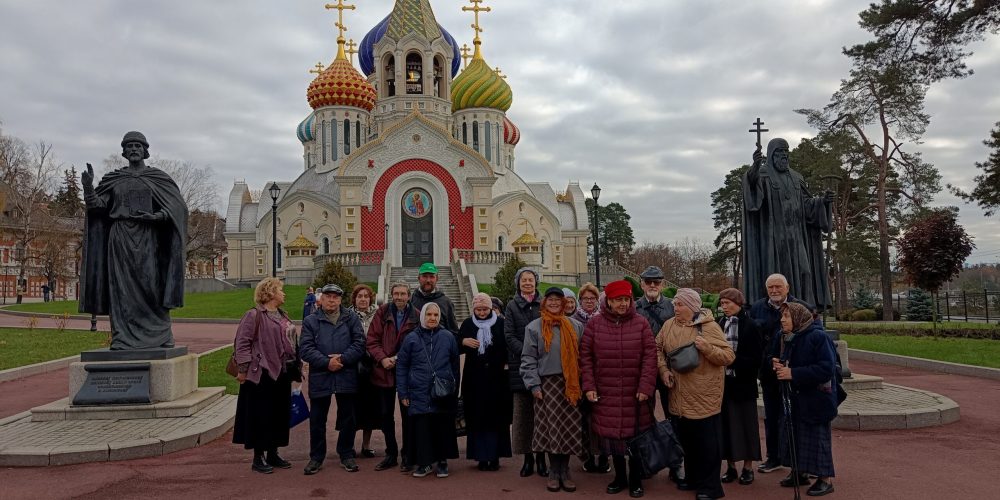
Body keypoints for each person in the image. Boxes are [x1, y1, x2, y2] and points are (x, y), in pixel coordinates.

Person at [81, 131, 187, 350]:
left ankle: (161, 334)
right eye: (129, 146)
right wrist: (88, 187)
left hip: (148, 236)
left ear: (145, 150)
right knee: (120, 289)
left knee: (152, 286)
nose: (133, 149)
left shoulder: (157, 178)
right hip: (119, 239)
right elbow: (98, 206)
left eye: (138, 146)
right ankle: (121, 337)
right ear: (124, 151)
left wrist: (157, 216)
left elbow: (178, 208)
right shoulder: (115, 179)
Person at [580, 280, 658, 498]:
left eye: (626, 299)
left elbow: (650, 357)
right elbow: (585, 357)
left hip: (635, 393)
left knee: (635, 436)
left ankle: (635, 478)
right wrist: (589, 386)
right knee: (612, 437)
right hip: (607, 391)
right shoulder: (595, 325)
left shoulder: (641, 323)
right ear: (609, 302)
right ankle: (619, 477)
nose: (623, 304)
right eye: (618, 300)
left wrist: (646, 386)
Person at [657, 288, 735, 500]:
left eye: (680, 304)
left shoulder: (708, 327)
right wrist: (663, 370)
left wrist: (707, 348)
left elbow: (728, 356)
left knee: (707, 445)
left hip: (704, 396)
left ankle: (710, 487)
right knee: (687, 441)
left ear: (692, 307)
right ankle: (692, 478)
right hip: (679, 395)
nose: (675, 308)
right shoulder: (668, 325)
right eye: (674, 304)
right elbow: (657, 349)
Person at [742, 137, 833, 310]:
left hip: (796, 236)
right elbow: (752, 192)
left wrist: (823, 202)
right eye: (779, 152)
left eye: (786, 152)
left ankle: (805, 311)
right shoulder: (763, 174)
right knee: (776, 275)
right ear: (771, 155)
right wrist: (754, 168)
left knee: (805, 272)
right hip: (773, 238)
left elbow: (807, 205)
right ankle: (774, 311)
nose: (784, 156)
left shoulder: (796, 177)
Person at [521, 286, 586, 493]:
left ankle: (565, 471)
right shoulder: (534, 327)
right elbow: (528, 358)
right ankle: (553, 471)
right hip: (546, 384)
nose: (555, 303)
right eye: (551, 300)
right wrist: (533, 384)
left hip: (571, 384)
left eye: (559, 300)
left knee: (568, 427)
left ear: (565, 303)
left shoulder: (575, 326)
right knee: (551, 428)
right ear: (544, 302)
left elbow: (583, 357)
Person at [749, 273, 814, 474]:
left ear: (787, 287)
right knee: (772, 415)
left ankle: (799, 462)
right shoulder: (758, 307)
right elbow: (754, 339)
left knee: (795, 417)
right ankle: (774, 457)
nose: (775, 291)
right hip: (769, 370)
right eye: (771, 287)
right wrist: (767, 361)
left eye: (778, 287)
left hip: (794, 373)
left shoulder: (800, 306)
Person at [771, 302, 838, 496]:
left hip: (816, 400)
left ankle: (825, 479)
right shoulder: (787, 337)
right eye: (782, 316)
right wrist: (776, 363)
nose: (782, 320)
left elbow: (826, 369)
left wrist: (793, 373)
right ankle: (799, 472)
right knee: (794, 435)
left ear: (798, 318)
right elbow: (779, 357)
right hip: (794, 398)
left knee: (816, 439)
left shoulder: (818, 337)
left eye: (786, 316)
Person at [232, 277, 298, 474]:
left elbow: (293, 342)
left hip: (281, 373)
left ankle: (273, 452)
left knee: (278, 414)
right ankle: (258, 456)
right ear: (270, 293)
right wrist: (242, 371)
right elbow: (242, 344)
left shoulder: (283, 315)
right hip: (260, 374)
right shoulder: (253, 316)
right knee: (260, 415)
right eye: (280, 290)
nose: (283, 293)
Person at [300, 284, 367, 475]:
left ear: (340, 300)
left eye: (335, 297)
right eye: (328, 297)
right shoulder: (311, 321)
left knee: (348, 418)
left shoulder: (351, 318)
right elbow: (305, 348)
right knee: (317, 419)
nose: (331, 300)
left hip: (346, 374)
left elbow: (359, 343)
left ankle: (346, 453)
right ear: (321, 299)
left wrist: (343, 359)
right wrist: (326, 362)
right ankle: (316, 457)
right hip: (322, 374)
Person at [396, 302, 461, 479]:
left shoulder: (448, 336)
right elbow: (402, 366)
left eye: (435, 315)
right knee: (422, 429)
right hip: (418, 391)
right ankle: (424, 463)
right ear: (422, 316)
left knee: (442, 426)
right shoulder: (411, 338)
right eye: (429, 315)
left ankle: (442, 461)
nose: (432, 318)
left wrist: (454, 390)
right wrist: (403, 392)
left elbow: (455, 365)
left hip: (441, 391)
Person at [634, 266, 682, 484]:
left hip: (668, 369)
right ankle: (646, 460)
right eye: (648, 282)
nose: (652, 286)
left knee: (674, 415)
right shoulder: (634, 307)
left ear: (662, 284)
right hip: (642, 369)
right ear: (642, 284)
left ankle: (675, 463)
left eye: (657, 282)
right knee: (643, 416)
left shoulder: (673, 308)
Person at [367, 282, 419, 472]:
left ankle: (407, 454)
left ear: (409, 296)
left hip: (407, 372)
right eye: (396, 294)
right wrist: (382, 359)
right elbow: (372, 340)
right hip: (384, 370)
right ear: (391, 294)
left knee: (409, 415)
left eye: (403, 294)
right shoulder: (382, 312)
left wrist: (397, 359)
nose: (399, 297)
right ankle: (391, 453)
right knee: (385, 415)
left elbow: (418, 343)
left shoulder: (417, 315)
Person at [458, 293, 513, 471]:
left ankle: (495, 456)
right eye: (478, 309)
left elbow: (508, 347)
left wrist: (505, 364)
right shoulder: (467, 324)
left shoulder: (501, 323)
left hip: (497, 379)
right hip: (474, 379)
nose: (481, 312)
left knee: (496, 418)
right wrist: (463, 341)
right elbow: (456, 346)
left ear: (491, 309)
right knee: (477, 417)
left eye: (485, 309)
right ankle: (481, 456)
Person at [716, 288, 762, 486]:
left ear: (738, 303)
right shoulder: (719, 323)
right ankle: (731, 467)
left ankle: (748, 467)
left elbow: (756, 358)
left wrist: (731, 361)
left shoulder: (751, 326)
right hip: (723, 384)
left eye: (728, 303)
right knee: (725, 426)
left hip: (743, 384)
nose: (724, 307)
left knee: (746, 426)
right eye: (722, 303)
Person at [503, 266, 546, 478]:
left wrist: (540, 354)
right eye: (523, 280)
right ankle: (528, 459)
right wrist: (527, 353)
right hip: (520, 367)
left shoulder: (544, 304)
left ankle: (541, 458)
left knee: (543, 415)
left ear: (536, 282)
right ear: (518, 283)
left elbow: (550, 330)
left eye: (530, 280)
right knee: (524, 416)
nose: (527, 283)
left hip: (543, 366)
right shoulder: (512, 306)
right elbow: (509, 335)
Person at [570, 281, 609, 474]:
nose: (589, 301)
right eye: (585, 298)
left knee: (602, 416)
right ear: (580, 300)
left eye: (592, 298)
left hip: (602, 374)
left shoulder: (604, 318)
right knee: (584, 418)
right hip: (581, 374)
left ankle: (603, 454)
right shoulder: (574, 319)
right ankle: (586, 455)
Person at [349, 284, 380, 459]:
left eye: (366, 296)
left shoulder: (378, 315)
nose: (363, 299)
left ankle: (366, 445)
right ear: (354, 299)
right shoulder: (347, 315)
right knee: (352, 407)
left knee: (369, 407)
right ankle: (349, 444)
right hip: (353, 366)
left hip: (372, 366)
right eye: (359, 296)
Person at [409, 262, 459, 333]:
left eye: (431, 276)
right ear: (419, 278)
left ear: (437, 279)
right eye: (425, 276)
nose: (428, 280)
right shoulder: (411, 301)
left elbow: (453, 330)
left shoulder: (446, 302)